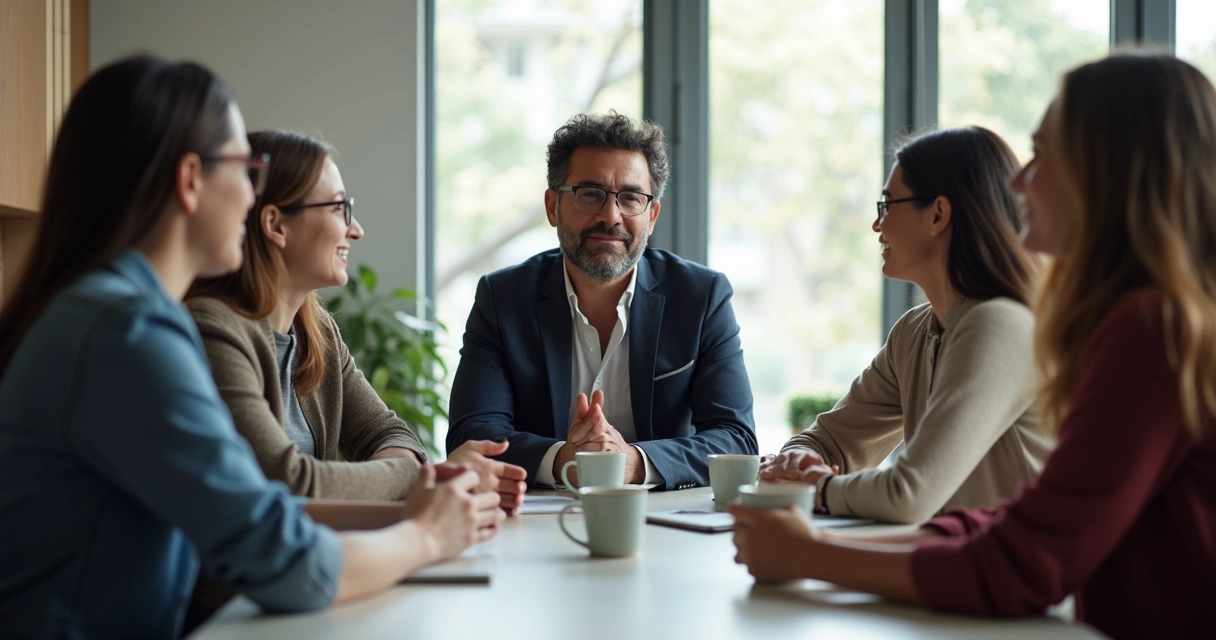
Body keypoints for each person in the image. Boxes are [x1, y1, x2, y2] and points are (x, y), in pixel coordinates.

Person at [0, 56, 502, 639]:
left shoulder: (113, 315)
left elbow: (259, 513)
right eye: (245, 168)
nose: (252, 196)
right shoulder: (128, 333)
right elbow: (283, 558)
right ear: (190, 181)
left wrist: (421, 507)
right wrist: (426, 536)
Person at [731, 53, 1216, 638]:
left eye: (1044, 154)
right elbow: (1025, 518)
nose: (1019, 181)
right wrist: (814, 506)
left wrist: (810, 553)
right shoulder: (1148, 323)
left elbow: (1022, 559)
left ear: (1111, 170)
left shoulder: (1151, 330)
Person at [186, 130, 527, 512]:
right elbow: (287, 482)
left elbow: (392, 435)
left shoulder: (317, 331)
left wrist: (404, 473)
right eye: (338, 209)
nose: (356, 229)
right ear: (275, 225)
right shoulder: (212, 330)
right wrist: (423, 476)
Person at [447, 111, 757, 490]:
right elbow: (470, 435)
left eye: (630, 198)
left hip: (668, 522)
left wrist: (634, 463)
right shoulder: (503, 299)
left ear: (652, 215)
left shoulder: (701, 297)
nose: (610, 216)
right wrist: (563, 459)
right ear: (552, 206)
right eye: (590, 194)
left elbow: (736, 439)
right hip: (535, 520)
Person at [759, 126, 1053, 523]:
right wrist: (796, 463)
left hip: (1019, 580)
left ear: (937, 215)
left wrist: (816, 487)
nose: (876, 226)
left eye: (887, 205)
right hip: (951, 568)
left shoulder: (999, 324)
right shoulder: (915, 331)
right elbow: (830, 442)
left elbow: (909, 494)